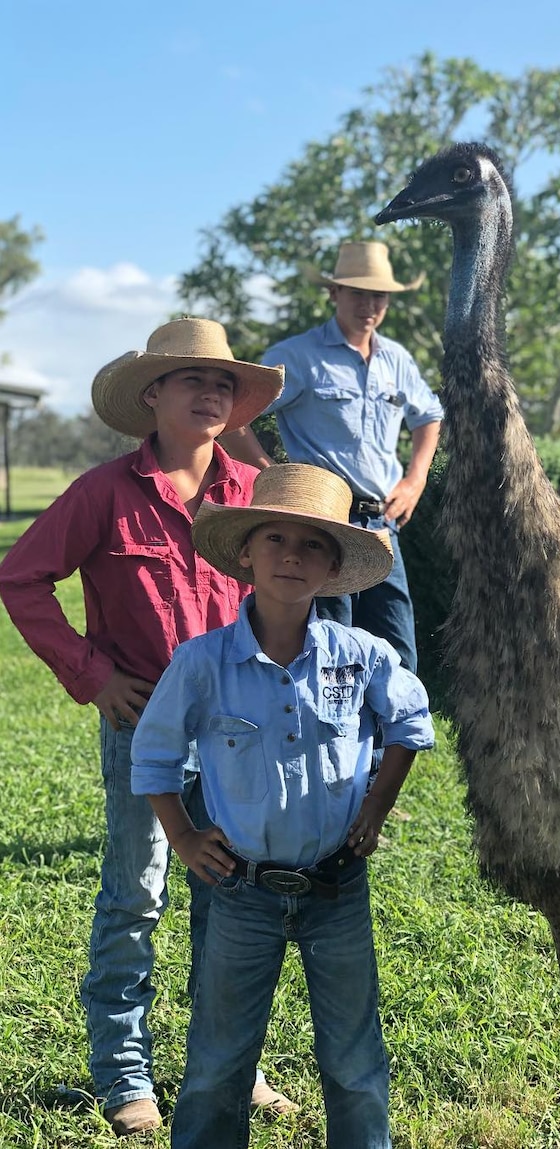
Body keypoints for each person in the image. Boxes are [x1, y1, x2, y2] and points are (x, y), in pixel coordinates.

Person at [0, 318, 290, 1137]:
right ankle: (126, 1072)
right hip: (147, 730)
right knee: (136, 895)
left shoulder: (252, 494)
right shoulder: (103, 492)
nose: (210, 392)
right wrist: (94, 676)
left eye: (224, 383)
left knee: (232, 897)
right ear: (151, 395)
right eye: (191, 379)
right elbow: (20, 578)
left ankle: (235, 1064)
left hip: (240, 732)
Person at [129, 463, 435, 1149]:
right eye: (275, 539)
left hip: (337, 885)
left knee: (355, 1062)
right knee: (216, 1063)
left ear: (333, 567)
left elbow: (411, 723)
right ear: (246, 552)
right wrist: (182, 835)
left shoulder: (362, 656)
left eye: (312, 544)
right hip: (240, 891)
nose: (292, 556)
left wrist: (378, 806)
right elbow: (152, 755)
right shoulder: (202, 662)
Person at [219, 240, 444, 674]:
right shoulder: (297, 356)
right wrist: (270, 473)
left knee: (398, 657)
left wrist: (415, 481)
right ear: (334, 293)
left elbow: (428, 416)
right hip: (320, 524)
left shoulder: (396, 359)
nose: (369, 304)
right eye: (358, 292)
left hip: (382, 526)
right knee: (327, 652)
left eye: (378, 295)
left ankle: (389, 743)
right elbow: (234, 417)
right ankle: (327, 742)